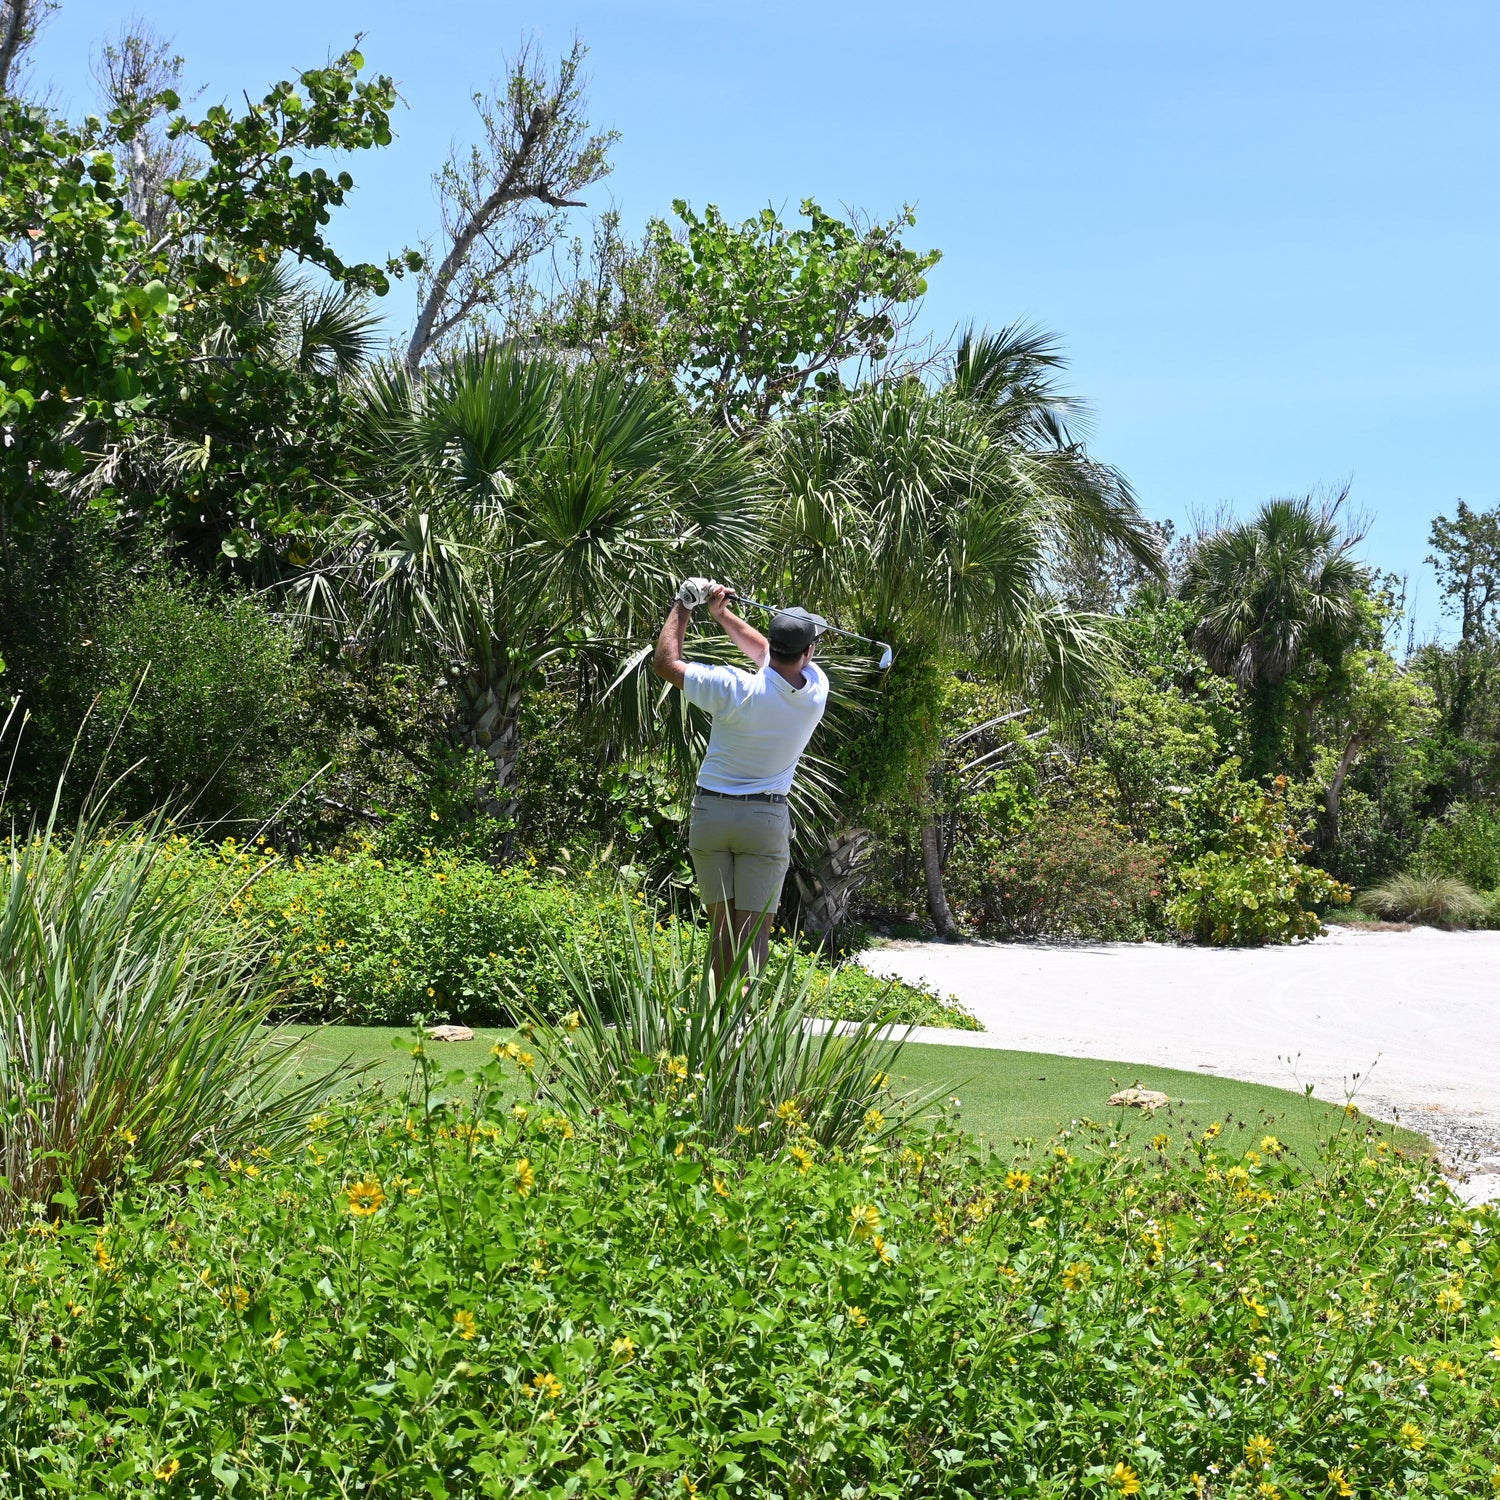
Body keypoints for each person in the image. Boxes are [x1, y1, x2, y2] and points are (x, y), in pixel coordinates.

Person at [652, 581, 829, 987]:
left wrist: (685, 604)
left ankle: (714, 1029)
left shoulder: (734, 686)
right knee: (752, 934)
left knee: (720, 933)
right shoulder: (816, 690)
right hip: (763, 820)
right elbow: (769, 655)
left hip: (712, 815)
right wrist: (722, 615)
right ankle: (742, 1029)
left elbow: (666, 663)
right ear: (806, 653)